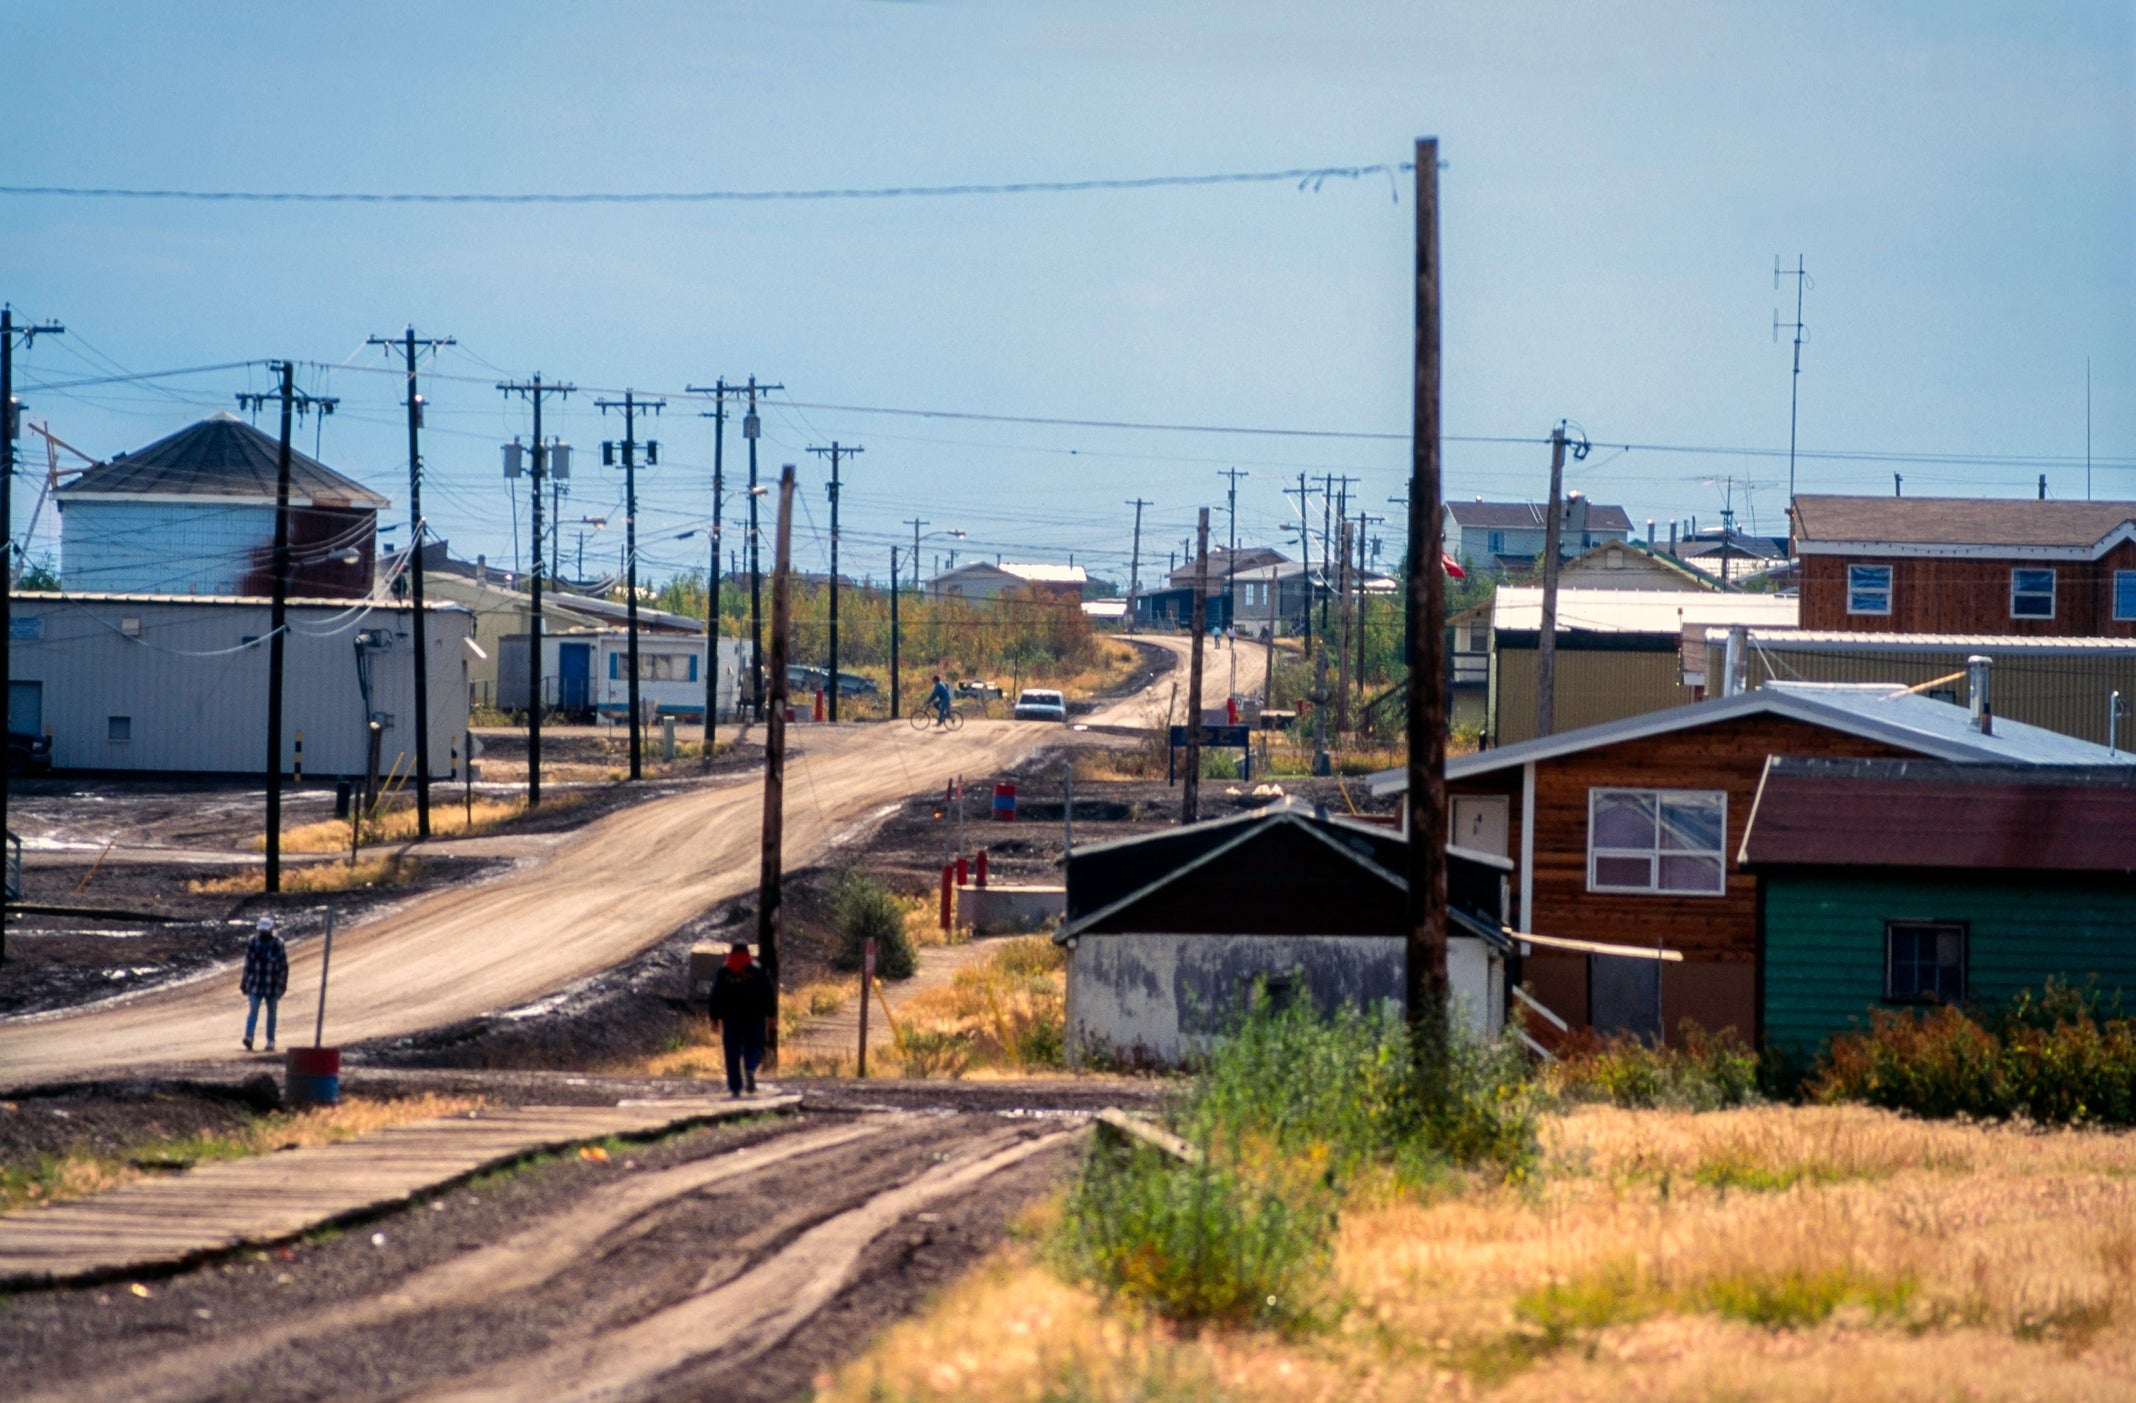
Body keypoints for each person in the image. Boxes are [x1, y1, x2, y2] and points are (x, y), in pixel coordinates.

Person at [706, 940, 773, 1096]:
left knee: (732, 1052)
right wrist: (771, 1015)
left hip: (731, 1020)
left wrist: (714, 1019)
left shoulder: (723, 972)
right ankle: (750, 1068)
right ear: (747, 954)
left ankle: (735, 1086)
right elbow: (768, 993)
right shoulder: (756, 971)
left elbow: (715, 996)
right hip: (754, 1017)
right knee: (754, 1045)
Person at [240, 916, 289, 1052]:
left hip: (272, 985)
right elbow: (248, 964)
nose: (263, 933)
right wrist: (244, 982)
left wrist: (283, 983)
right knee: (253, 1011)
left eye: (265, 931)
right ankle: (249, 1037)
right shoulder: (253, 942)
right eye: (261, 931)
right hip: (255, 983)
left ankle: (270, 1041)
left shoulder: (278, 944)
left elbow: (283, 966)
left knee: (271, 1013)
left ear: (271, 930)